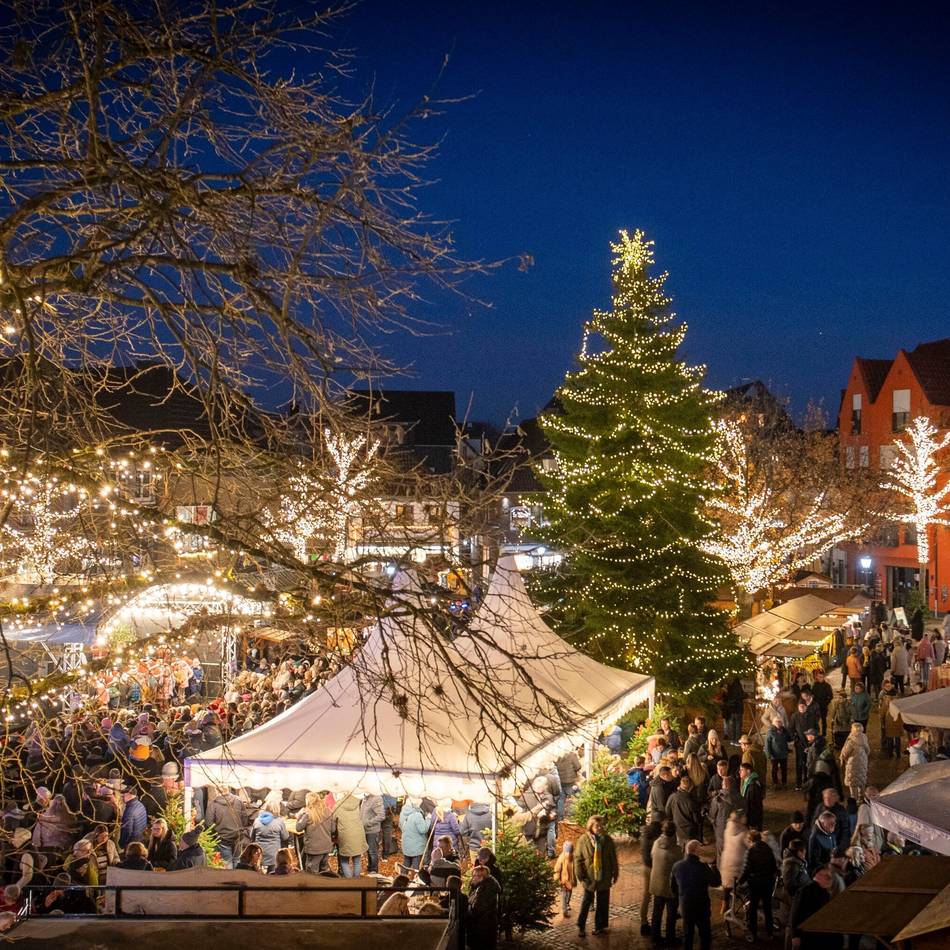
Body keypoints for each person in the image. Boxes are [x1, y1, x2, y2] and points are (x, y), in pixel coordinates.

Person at [573, 815, 619, 937]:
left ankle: (600, 927)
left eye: (601, 825)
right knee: (586, 902)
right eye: (596, 826)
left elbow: (613, 857)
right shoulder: (583, 840)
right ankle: (581, 926)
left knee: (603, 903)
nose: (599, 828)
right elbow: (578, 858)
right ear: (591, 826)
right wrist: (580, 875)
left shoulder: (607, 839)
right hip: (589, 877)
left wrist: (615, 873)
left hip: (604, 876)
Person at [672, 839, 721, 950]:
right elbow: (716, 883)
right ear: (697, 851)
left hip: (686, 905)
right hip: (701, 906)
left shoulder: (677, 866)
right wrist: (714, 868)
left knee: (687, 934)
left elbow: (673, 888)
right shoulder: (703, 867)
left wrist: (681, 896)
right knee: (705, 934)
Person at [738, 828, 777, 942]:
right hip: (768, 882)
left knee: (753, 908)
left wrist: (740, 881)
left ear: (751, 840)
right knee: (767, 907)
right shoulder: (768, 848)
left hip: (756, 883)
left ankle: (753, 932)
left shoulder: (751, 851)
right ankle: (770, 932)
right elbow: (774, 866)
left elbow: (747, 869)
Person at [790, 865, 840, 950]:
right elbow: (795, 914)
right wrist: (795, 935)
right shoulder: (805, 891)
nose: (830, 880)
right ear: (817, 876)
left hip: (817, 935)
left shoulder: (825, 892)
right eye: (827, 877)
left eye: (831, 877)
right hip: (807, 936)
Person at [650, 820, 683, 945]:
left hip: (656, 883)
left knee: (657, 912)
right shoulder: (676, 850)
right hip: (670, 886)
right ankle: (670, 938)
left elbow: (652, 856)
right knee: (671, 913)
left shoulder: (656, 843)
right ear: (674, 833)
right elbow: (679, 867)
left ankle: (655, 937)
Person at [204, 785, 247, 868]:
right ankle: (238, 876)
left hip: (222, 839)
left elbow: (208, 824)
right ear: (228, 789)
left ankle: (230, 876)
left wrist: (215, 836)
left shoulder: (213, 805)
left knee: (227, 862)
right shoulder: (239, 801)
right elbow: (245, 819)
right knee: (237, 860)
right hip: (238, 837)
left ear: (217, 791)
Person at [332, 793, 368, 878]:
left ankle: (350, 882)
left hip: (345, 835)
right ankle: (356, 881)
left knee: (344, 861)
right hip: (358, 834)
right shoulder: (357, 802)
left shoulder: (337, 806)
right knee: (357, 860)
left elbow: (333, 821)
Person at [297, 792, 334, 873]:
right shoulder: (328, 811)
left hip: (314, 849)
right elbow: (333, 829)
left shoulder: (307, 814)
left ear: (308, 801)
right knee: (324, 871)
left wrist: (299, 815)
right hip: (326, 847)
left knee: (312, 873)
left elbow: (298, 828)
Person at [467, 864, 501, 950]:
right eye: (473, 875)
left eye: (476, 876)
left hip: (484, 926)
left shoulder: (487, 888)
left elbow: (480, 907)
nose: (474, 878)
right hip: (481, 925)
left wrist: (468, 915)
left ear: (483, 877)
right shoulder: (478, 887)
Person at [639, 819, 663, 937]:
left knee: (646, 896)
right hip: (655, 868)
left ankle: (643, 922)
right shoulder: (657, 836)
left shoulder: (644, 834)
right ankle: (655, 925)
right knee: (658, 896)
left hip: (645, 867)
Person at [709, 775, 740, 863]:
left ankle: (721, 869)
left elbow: (712, 815)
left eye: (722, 784)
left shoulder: (718, 799)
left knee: (721, 853)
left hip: (721, 830)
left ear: (725, 785)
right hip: (736, 829)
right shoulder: (740, 798)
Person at [252, 803, 289, 872]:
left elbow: (252, 837)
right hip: (274, 855)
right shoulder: (279, 821)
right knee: (273, 874)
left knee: (258, 874)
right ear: (277, 809)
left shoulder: (257, 820)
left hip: (260, 854)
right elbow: (285, 837)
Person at [666, 776, 702, 845]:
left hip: (677, 827)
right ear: (690, 787)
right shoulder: (691, 800)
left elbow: (667, 810)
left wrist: (673, 820)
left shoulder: (672, 796)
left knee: (680, 846)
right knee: (690, 848)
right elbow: (696, 819)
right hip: (690, 830)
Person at [840, 723, 870, 803]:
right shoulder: (864, 737)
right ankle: (862, 798)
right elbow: (868, 750)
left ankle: (854, 800)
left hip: (853, 764)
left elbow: (845, 753)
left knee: (852, 782)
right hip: (863, 762)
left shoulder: (851, 741)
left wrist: (843, 758)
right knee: (861, 780)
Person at [399, 798, 431, 871]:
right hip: (417, 845)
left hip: (406, 844)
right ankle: (414, 878)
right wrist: (428, 819)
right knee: (415, 867)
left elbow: (401, 826)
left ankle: (402, 877)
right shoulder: (417, 815)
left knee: (406, 863)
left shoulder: (403, 812)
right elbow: (423, 829)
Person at [360, 793, 385, 875]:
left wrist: (368, 823)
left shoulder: (376, 798)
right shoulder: (365, 798)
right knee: (368, 850)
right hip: (365, 830)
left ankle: (374, 870)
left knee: (372, 851)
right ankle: (370, 867)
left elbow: (381, 816)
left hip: (372, 831)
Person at [118, 784, 148, 850]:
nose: (122, 798)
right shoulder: (140, 805)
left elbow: (127, 831)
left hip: (132, 845)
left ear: (129, 794)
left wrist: (122, 844)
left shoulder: (129, 811)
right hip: (140, 840)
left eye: (123, 796)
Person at [766, 717, 791, 789]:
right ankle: (775, 783)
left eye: (779, 721)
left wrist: (790, 733)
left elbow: (789, 739)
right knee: (774, 770)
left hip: (783, 754)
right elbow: (767, 744)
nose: (778, 723)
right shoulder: (770, 732)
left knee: (784, 769)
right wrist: (769, 754)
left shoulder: (785, 731)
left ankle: (784, 783)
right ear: (773, 723)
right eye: (777, 721)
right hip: (774, 755)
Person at [553, 840, 576, 917]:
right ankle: (564, 910)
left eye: (570, 852)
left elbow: (575, 867)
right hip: (563, 880)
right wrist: (557, 879)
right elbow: (557, 870)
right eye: (567, 852)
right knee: (564, 894)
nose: (568, 854)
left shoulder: (573, 857)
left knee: (569, 893)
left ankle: (567, 904)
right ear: (564, 851)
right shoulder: (561, 858)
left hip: (570, 880)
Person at [739, 762, 764, 830]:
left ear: (748, 771)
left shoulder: (753, 785)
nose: (739, 772)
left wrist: (752, 822)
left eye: (742, 770)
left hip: (752, 819)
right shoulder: (747, 782)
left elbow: (755, 806)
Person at [811, 670, 833, 736]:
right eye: (819, 677)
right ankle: (816, 733)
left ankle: (824, 734)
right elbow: (812, 694)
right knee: (815, 720)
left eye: (822, 677)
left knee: (824, 720)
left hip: (823, 706)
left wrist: (826, 702)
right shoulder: (815, 686)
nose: (820, 678)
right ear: (817, 677)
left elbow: (831, 696)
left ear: (824, 677)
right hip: (816, 706)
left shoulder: (827, 686)